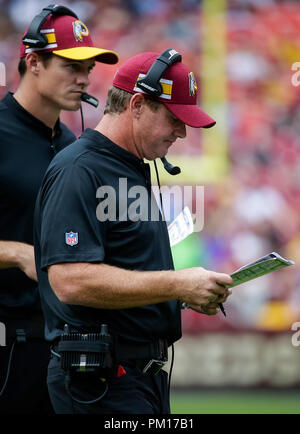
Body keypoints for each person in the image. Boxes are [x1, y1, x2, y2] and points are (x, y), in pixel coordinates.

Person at [33, 50, 233, 414]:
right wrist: (177, 284)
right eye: (174, 118)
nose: (182, 132)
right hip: (100, 381)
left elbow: (128, 273)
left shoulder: (132, 167)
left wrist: (185, 294)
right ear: (137, 104)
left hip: (139, 378)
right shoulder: (80, 170)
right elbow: (70, 281)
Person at [0, 5, 118, 414]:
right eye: (71, 66)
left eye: (88, 67)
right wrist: (15, 253)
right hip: (6, 349)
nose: (84, 79)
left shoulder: (72, 145)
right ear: (33, 62)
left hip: (67, 350)